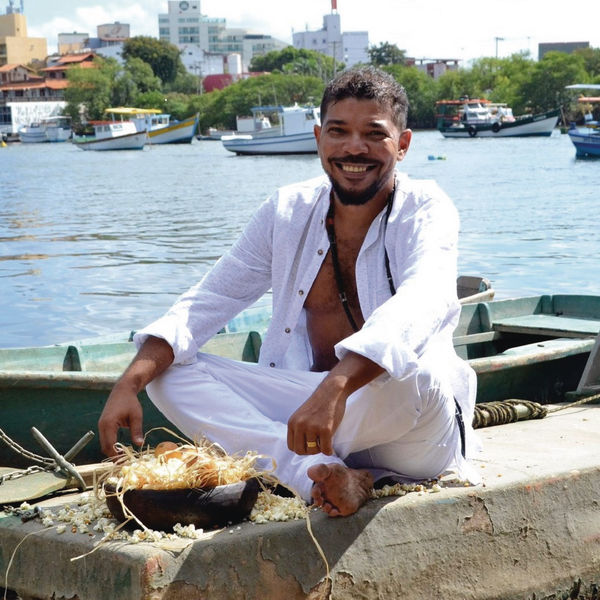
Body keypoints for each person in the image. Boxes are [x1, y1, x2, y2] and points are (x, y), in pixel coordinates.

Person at [98, 66, 480, 518]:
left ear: (403, 144)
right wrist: (130, 381)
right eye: (338, 131)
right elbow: (211, 298)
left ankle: (292, 464)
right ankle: (321, 472)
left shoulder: (426, 207)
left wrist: (337, 386)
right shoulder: (286, 210)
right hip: (307, 417)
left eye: (373, 134)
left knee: (412, 372)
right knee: (168, 373)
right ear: (319, 138)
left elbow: (426, 296)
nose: (354, 148)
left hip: (411, 431)